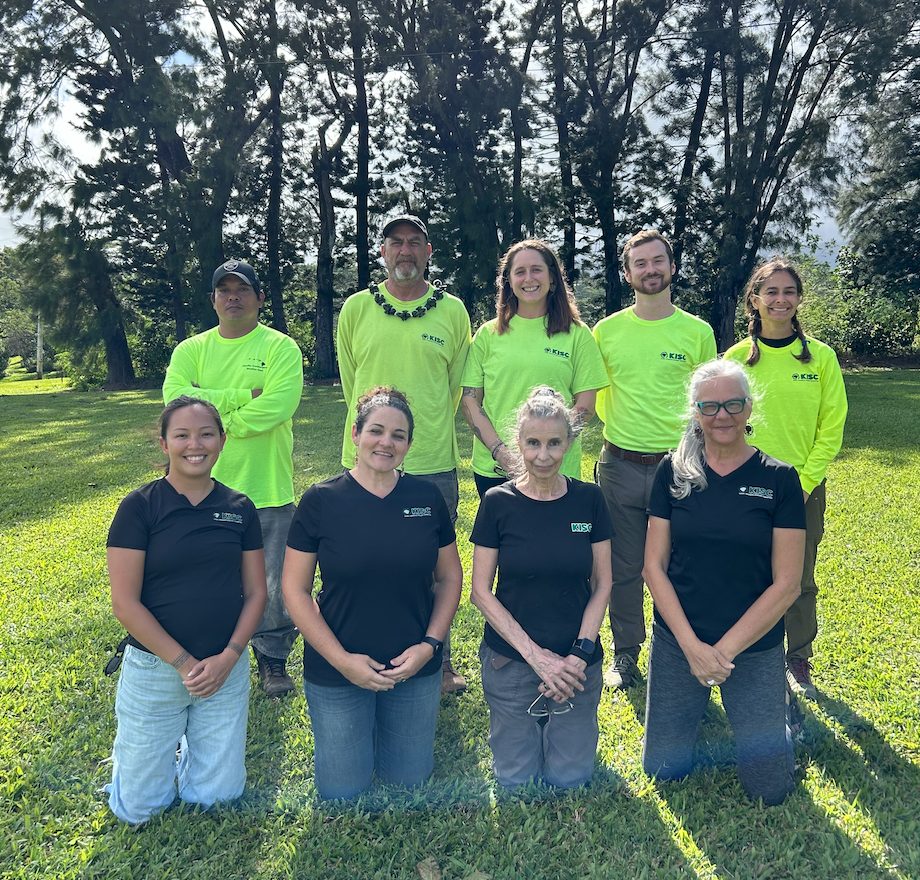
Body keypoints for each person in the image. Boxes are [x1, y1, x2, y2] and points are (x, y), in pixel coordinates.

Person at [282, 387, 463, 800]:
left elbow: (450, 578)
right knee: (343, 793)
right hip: (337, 669)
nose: (386, 442)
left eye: (398, 435)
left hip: (412, 666)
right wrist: (343, 661)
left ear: (409, 445)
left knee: (410, 784)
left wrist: (430, 647)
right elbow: (294, 590)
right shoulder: (321, 501)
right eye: (376, 431)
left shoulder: (425, 498)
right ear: (355, 435)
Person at [642, 360, 806, 805]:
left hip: (751, 646)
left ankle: (781, 712)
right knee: (663, 770)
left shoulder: (780, 479)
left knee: (769, 788)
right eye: (710, 406)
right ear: (695, 412)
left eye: (733, 404)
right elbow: (653, 567)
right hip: (681, 640)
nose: (722, 415)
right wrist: (693, 648)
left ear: (749, 408)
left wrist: (723, 653)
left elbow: (788, 583)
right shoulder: (672, 472)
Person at [105, 396, 267, 824]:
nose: (195, 444)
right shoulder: (139, 507)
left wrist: (229, 657)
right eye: (182, 435)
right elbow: (125, 603)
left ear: (222, 440)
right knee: (137, 809)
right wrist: (183, 663)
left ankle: (181, 751)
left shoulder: (240, 508)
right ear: (164, 444)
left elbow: (256, 594)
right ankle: (138, 757)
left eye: (206, 434)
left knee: (217, 800)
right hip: (156, 667)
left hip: (224, 666)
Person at [336, 214, 471, 694]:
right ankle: (365, 655)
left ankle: (439, 663)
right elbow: (352, 382)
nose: (405, 251)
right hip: (366, 463)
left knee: (436, 571)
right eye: (396, 243)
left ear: (429, 251)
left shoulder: (453, 311)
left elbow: (454, 385)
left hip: (432, 460)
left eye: (415, 242)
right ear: (383, 252)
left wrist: (424, 427)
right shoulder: (356, 308)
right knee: (364, 564)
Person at [163, 259, 304, 698]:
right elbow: (174, 401)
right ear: (213, 300)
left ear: (260, 298)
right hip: (199, 488)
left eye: (242, 290)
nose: (233, 297)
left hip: (266, 486)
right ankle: (207, 650)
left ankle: (273, 660)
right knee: (204, 574)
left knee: (273, 581)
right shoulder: (191, 350)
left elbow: (278, 406)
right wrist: (243, 397)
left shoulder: (281, 348)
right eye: (224, 290)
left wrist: (209, 419)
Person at [470, 387, 612, 789]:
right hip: (512, 661)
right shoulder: (498, 502)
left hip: (575, 663)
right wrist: (537, 659)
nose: (543, 455)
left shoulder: (590, 500)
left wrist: (578, 655)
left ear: (569, 442)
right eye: (533, 443)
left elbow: (603, 584)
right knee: (516, 782)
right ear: (519, 442)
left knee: (571, 780)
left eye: (554, 443)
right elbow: (481, 591)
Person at [593, 230, 716, 689]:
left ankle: (687, 648)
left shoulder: (696, 331)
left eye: (657, 261)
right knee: (624, 568)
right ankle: (626, 654)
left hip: (682, 467)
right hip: (620, 464)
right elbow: (599, 397)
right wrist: (628, 435)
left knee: (683, 564)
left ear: (671, 266)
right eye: (639, 263)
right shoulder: (605, 332)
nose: (650, 269)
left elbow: (708, 402)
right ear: (627, 274)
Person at [724, 258, 848, 700]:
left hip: (802, 487)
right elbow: (721, 422)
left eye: (788, 292)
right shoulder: (735, 360)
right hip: (743, 485)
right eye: (770, 292)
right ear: (753, 300)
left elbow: (831, 426)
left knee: (798, 577)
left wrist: (807, 479)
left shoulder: (821, 357)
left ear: (798, 299)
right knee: (744, 572)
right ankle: (746, 649)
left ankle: (798, 654)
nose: (780, 300)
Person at [461, 239, 607, 498]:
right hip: (495, 469)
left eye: (537, 269)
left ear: (552, 278)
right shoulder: (487, 334)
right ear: (508, 281)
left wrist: (548, 453)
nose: (529, 278)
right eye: (520, 271)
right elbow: (471, 403)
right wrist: (504, 454)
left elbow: (585, 405)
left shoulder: (577, 334)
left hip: (559, 469)